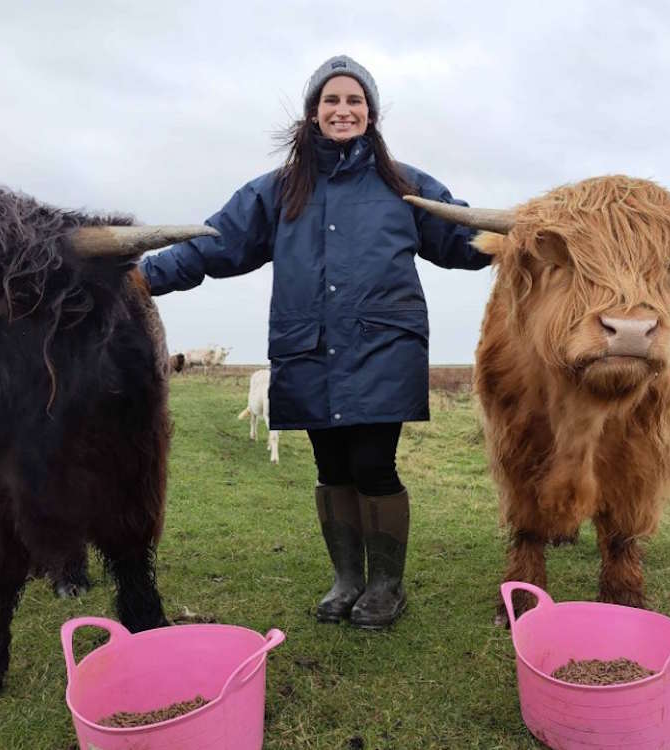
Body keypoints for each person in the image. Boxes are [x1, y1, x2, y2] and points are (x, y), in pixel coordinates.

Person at [141, 55, 491, 628]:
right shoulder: (277, 191)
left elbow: (464, 239)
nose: (343, 110)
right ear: (312, 113)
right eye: (331, 100)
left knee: (374, 464)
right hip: (309, 347)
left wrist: (535, 238)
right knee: (330, 467)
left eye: (355, 100)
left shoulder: (407, 187)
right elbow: (213, 244)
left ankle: (385, 586)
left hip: (384, 346)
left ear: (371, 114)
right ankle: (347, 578)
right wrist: (143, 277)